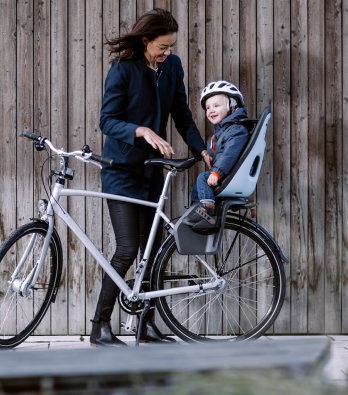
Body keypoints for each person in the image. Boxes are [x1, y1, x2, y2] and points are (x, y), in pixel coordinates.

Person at [93, 8, 207, 347]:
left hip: (152, 171)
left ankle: (146, 325)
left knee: (153, 252)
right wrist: (140, 130)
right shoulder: (123, 69)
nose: (167, 52)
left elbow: (181, 114)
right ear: (145, 41)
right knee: (128, 248)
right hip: (121, 171)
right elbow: (108, 120)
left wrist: (201, 149)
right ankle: (100, 326)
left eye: (171, 47)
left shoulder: (172, 67)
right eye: (162, 47)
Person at [183, 81, 249, 229]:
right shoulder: (224, 131)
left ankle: (206, 210)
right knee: (199, 185)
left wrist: (217, 172)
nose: (211, 110)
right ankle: (196, 211)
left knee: (203, 178)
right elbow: (220, 151)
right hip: (227, 174)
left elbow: (230, 154)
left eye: (216, 105)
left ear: (232, 105)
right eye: (208, 107)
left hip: (228, 175)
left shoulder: (236, 130)